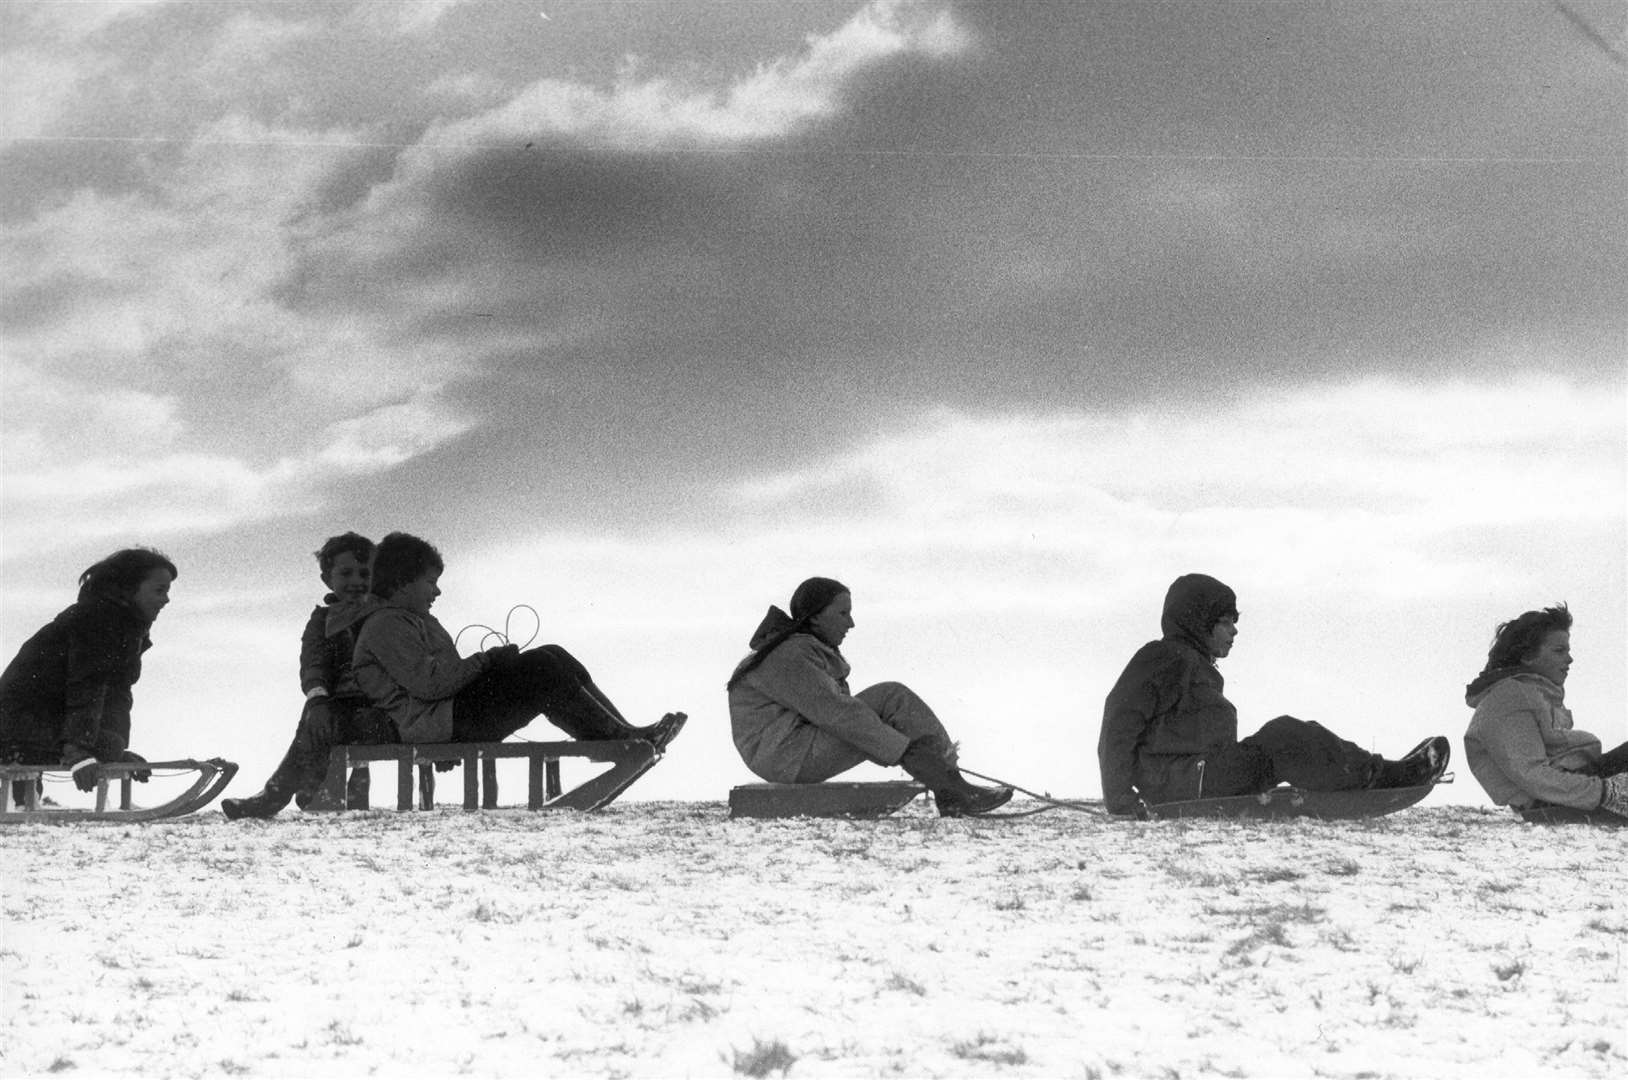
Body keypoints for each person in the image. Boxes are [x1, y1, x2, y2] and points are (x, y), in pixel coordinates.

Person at [1098, 573, 1448, 817]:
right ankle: (1385, 777)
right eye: (1225, 620)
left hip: (1196, 779)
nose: (1234, 630)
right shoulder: (1164, 657)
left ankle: (1353, 780)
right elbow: (1119, 720)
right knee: (1283, 737)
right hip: (1185, 784)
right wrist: (1119, 799)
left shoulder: (1192, 664)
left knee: (1292, 739)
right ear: (1197, 622)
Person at [353, 531, 684, 749]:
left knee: (553, 655)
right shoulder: (386, 626)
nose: (437, 591)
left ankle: (621, 731)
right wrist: (486, 662)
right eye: (430, 582)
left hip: (449, 717)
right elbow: (430, 685)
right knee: (542, 669)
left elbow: (447, 677)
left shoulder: (417, 621)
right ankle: (615, 740)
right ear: (401, 582)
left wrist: (493, 665)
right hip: (434, 727)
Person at [727, 576, 1013, 816]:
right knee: (891, 697)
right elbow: (839, 714)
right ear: (814, 616)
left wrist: (900, 748)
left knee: (889, 700)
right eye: (842, 613)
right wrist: (904, 750)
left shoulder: (797, 650)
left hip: (788, 752)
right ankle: (953, 789)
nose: (850, 623)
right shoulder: (790, 656)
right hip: (785, 756)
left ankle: (952, 790)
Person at [223, 532, 387, 820]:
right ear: (327, 579)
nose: (357, 581)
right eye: (346, 573)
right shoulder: (323, 620)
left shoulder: (386, 615)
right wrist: (317, 698)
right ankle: (296, 790)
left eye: (365, 573)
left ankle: (288, 792)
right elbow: (313, 664)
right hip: (336, 706)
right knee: (317, 716)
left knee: (337, 722)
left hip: (383, 706)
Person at [0, 548, 176, 796]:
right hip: (17, 721)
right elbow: (86, 686)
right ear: (128, 588)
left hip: (53, 721)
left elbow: (116, 696)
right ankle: (18, 783)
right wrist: (78, 752)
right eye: (159, 590)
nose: (166, 599)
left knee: (108, 742)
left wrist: (115, 751)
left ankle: (24, 791)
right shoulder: (96, 620)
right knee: (27, 776)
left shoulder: (129, 630)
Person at [1463, 604, 1628, 819]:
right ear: (1527, 656)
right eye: (1559, 651)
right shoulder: (1509, 697)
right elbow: (1532, 775)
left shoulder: (1527, 693)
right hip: (1551, 801)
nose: (1570, 659)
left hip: (1564, 791)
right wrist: (1607, 793)